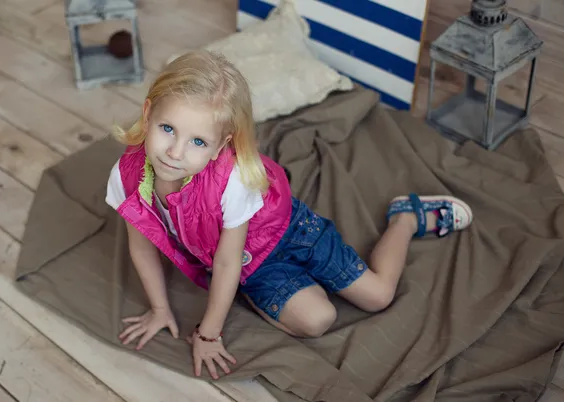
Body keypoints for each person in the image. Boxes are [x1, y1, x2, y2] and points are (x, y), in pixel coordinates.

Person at [104, 50, 474, 381]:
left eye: (198, 141)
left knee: (378, 296)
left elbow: (227, 261)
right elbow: (142, 247)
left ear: (222, 145)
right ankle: (262, 293)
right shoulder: (127, 178)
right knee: (318, 320)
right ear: (148, 112)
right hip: (254, 267)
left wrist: (208, 333)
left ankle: (405, 218)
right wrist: (158, 308)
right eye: (167, 129)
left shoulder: (233, 180)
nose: (175, 152)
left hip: (290, 231)